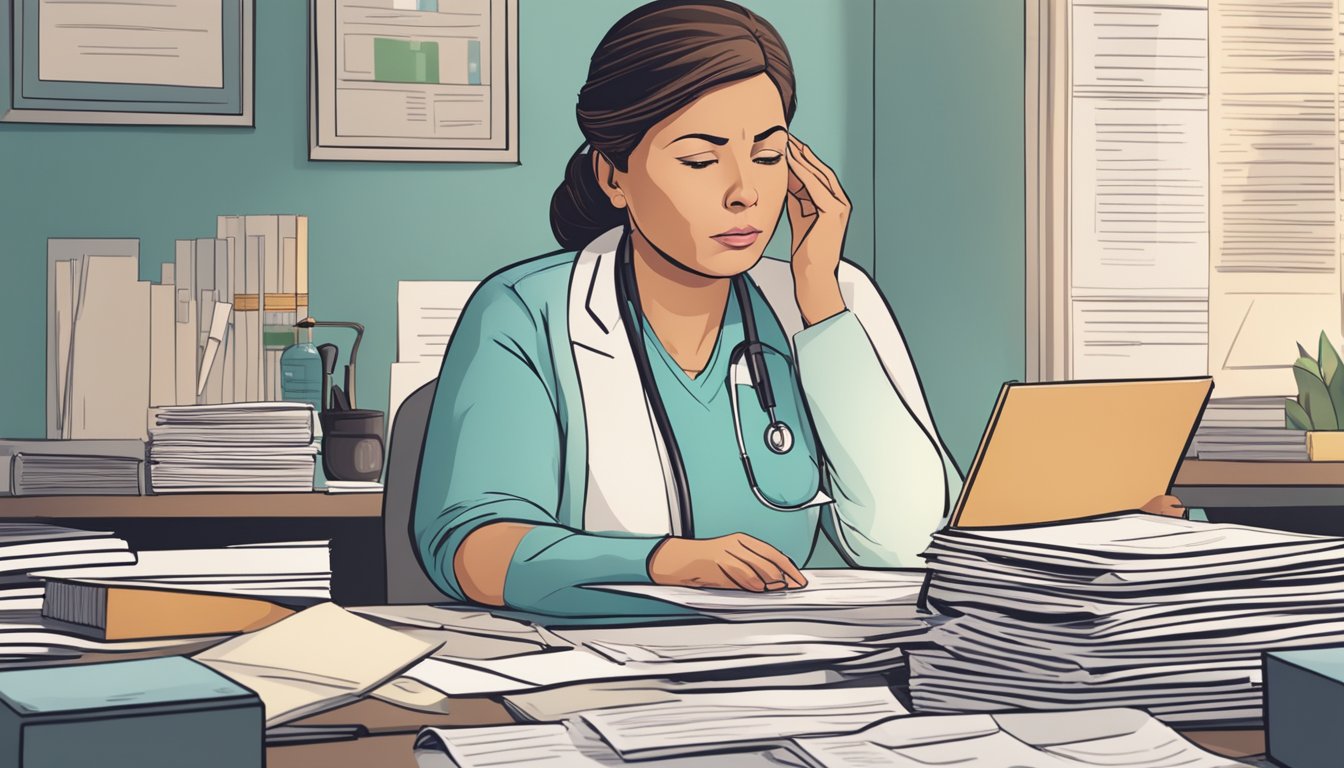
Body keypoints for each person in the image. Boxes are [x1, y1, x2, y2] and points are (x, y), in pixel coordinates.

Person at [411, 0, 1183, 619]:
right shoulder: (527, 311)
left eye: (769, 153)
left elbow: (911, 542)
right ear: (616, 175)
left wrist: (821, 299)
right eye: (700, 158)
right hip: (597, 680)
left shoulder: (822, 298)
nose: (745, 190)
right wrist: (661, 560)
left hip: (806, 679)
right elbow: (471, 548)